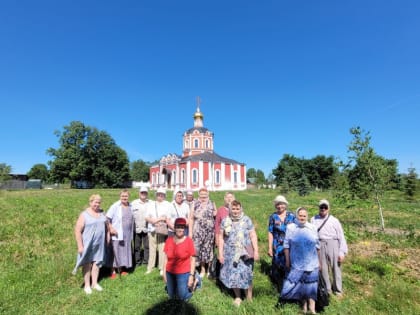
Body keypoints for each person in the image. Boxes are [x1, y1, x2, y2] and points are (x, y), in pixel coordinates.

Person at [218, 200, 259, 306]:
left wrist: (256, 251)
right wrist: (220, 253)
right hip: (230, 254)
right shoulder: (225, 221)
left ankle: (249, 298)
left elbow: (253, 235)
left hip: (245, 253)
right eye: (233, 209)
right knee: (233, 275)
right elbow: (221, 238)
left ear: (241, 209)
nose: (235, 211)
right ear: (230, 209)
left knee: (246, 274)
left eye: (237, 209)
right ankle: (238, 296)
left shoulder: (246, 220)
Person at [280, 207, 320, 314]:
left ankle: (312, 309)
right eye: (300, 215)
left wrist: (319, 261)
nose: (302, 217)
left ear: (307, 216)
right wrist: (288, 261)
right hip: (297, 263)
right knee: (301, 286)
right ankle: (304, 308)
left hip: (312, 262)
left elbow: (317, 246)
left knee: (311, 286)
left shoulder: (312, 227)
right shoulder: (291, 227)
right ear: (297, 216)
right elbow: (286, 245)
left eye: (304, 215)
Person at [73, 194, 109, 294]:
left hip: (99, 243)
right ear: (90, 202)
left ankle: (94, 283)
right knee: (87, 263)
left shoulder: (102, 213)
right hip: (88, 243)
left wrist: (108, 236)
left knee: (97, 263)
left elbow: (107, 225)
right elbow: (77, 230)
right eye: (95, 202)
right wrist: (80, 246)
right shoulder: (84, 214)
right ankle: (87, 285)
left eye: (99, 202)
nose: (97, 204)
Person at [311, 199, 348, 297]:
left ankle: (338, 290)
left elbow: (341, 236)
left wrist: (342, 252)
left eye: (325, 207)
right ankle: (327, 290)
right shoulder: (313, 219)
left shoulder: (334, 220)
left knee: (336, 267)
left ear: (328, 208)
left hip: (333, 244)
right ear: (318, 208)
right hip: (319, 244)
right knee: (322, 268)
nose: (323, 209)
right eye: (321, 207)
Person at [162, 218, 198, 301]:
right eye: (178, 227)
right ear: (174, 228)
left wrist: (191, 276)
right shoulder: (169, 240)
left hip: (183, 272)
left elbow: (193, 260)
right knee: (171, 295)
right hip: (170, 272)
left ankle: (196, 280)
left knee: (182, 297)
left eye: (182, 227)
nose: (180, 229)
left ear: (185, 228)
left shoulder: (189, 241)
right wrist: (164, 272)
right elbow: (166, 258)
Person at [268, 195, 296, 292]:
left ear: (285, 205)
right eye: (278, 204)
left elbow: (297, 230)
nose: (280, 206)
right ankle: (278, 287)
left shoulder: (292, 216)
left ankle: (290, 287)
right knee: (277, 265)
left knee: (289, 264)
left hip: (290, 246)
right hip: (277, 246)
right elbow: (270, 232)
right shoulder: (273, 217)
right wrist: (270, 248)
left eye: (282, 204)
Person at [189, 187, 217, 277]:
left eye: (205, 195)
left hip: (209, 232)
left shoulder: (212, 203)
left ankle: (209, 269)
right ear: (199, 195)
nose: (203, 197)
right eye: (201, 195)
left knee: (208, 250)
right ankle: (202, 269)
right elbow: (191, 218)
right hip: (198, 231)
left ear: (208, 195)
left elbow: (215, 215)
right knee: (200, 250)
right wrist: (190, 232)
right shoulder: (195, 203)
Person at [107, 189, 134, 279]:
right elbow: (107, 218)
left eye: (126, 196)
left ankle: (121, 269)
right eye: (122, 196)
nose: (124, 198)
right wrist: (111, 228)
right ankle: (113, 270)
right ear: (120, 196)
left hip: (127, 233)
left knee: (123, 251)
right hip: (117, 232)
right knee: (116, 251)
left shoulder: (130, 205)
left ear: (128, 197)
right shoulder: (115, 206)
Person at [145, 187, 171, 275]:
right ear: (156, 195)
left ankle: (161, 268)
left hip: (162, 229)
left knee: (162, 249)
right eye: (158, 194)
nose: (160, 196)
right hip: (152, 228)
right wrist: (154, 221)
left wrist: (158, 220)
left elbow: (167, 217)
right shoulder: (151, 204)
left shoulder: (167, 204)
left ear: (164, 196)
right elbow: (146, 216)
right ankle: (150, 267)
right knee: (152, 248)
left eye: (162, 195)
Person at [131, 186, 150, 267]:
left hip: (147, 228)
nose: (143, 194)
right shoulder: (133, 203)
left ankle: (146, 262)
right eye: (142, 192)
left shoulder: (151, 203)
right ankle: (137, 262)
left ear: (147, 194)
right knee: (137, 247)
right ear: (139, 193)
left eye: (145, 193)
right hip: (137, 228)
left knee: (147, 246)